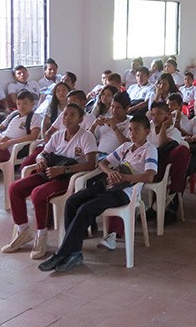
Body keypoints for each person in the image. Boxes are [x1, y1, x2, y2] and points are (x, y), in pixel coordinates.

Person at [37, 115, 157, 272]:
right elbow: (102, 162)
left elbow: (149, 175)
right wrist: (110, 173)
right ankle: (74, 252)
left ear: (147, 131)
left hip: (126, 192)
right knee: (72, 201)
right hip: (110, 184)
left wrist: (123, 177)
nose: (132, 133)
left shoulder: (150, 149)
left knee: (86, 208)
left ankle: (62, 253)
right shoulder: (126, 146)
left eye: (137, 130)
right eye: (130, 130)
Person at [3, 103, 97, 260]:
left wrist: (64, 170)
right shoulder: (58, 135)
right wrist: (40, 160)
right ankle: (22, 230)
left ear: (80, 119)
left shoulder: (86, 136)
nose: (67, 118)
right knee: (15, 188)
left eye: (72, 115)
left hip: (68, 177)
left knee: (38, 194)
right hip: (50, 171)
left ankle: (41, 236)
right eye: (65, 114)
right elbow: (43, 152)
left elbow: (91, 164)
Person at [89, 91, 131, 158]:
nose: (114, 110)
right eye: (112, 106)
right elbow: (88, 140)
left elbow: (128, 146)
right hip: (98, 156)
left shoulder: (131, 123)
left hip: (115, 160)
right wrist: (93, 126)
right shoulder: (104, 120)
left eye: (118, 108)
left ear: (127, 108)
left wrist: (115, 128)